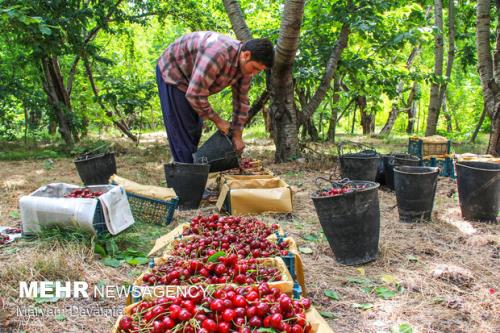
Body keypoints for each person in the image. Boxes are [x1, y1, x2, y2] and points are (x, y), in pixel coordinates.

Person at [156, 31, 274, 163]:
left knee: (194, 131)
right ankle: (184, 177)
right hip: (173, 72)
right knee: (183, 135)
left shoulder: (246, 70)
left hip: (192, 83)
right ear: (246, 55)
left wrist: (237, 135)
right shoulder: (218, 53)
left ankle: (188, 169)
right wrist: (218, 120)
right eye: (255, 68)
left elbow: (241, 103)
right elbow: (194, 94)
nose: (255, 73)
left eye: (259, 71)